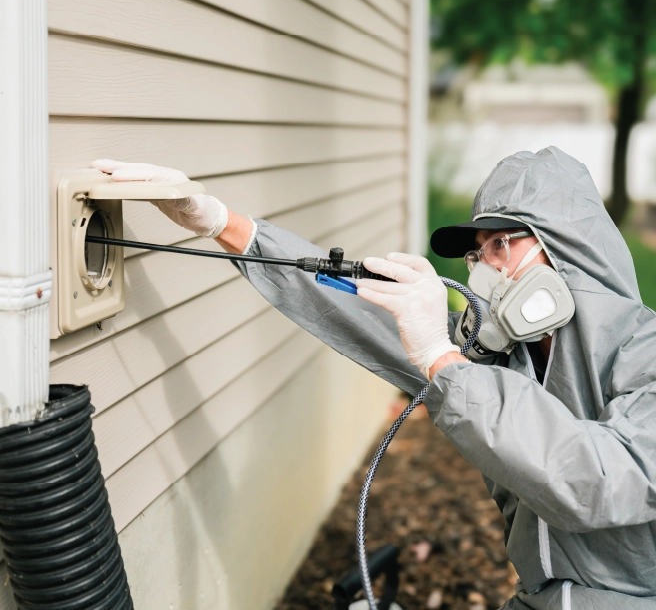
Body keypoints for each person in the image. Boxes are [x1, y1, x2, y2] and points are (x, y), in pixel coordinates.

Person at [93, 146, 656, 609]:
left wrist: (441, 355)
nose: (484, 267)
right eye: (476, 253)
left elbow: (598, 480)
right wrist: (219, 221)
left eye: (500, 244)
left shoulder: (645, 351)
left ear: (564, 251)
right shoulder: (503, 351)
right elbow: (360, 313)